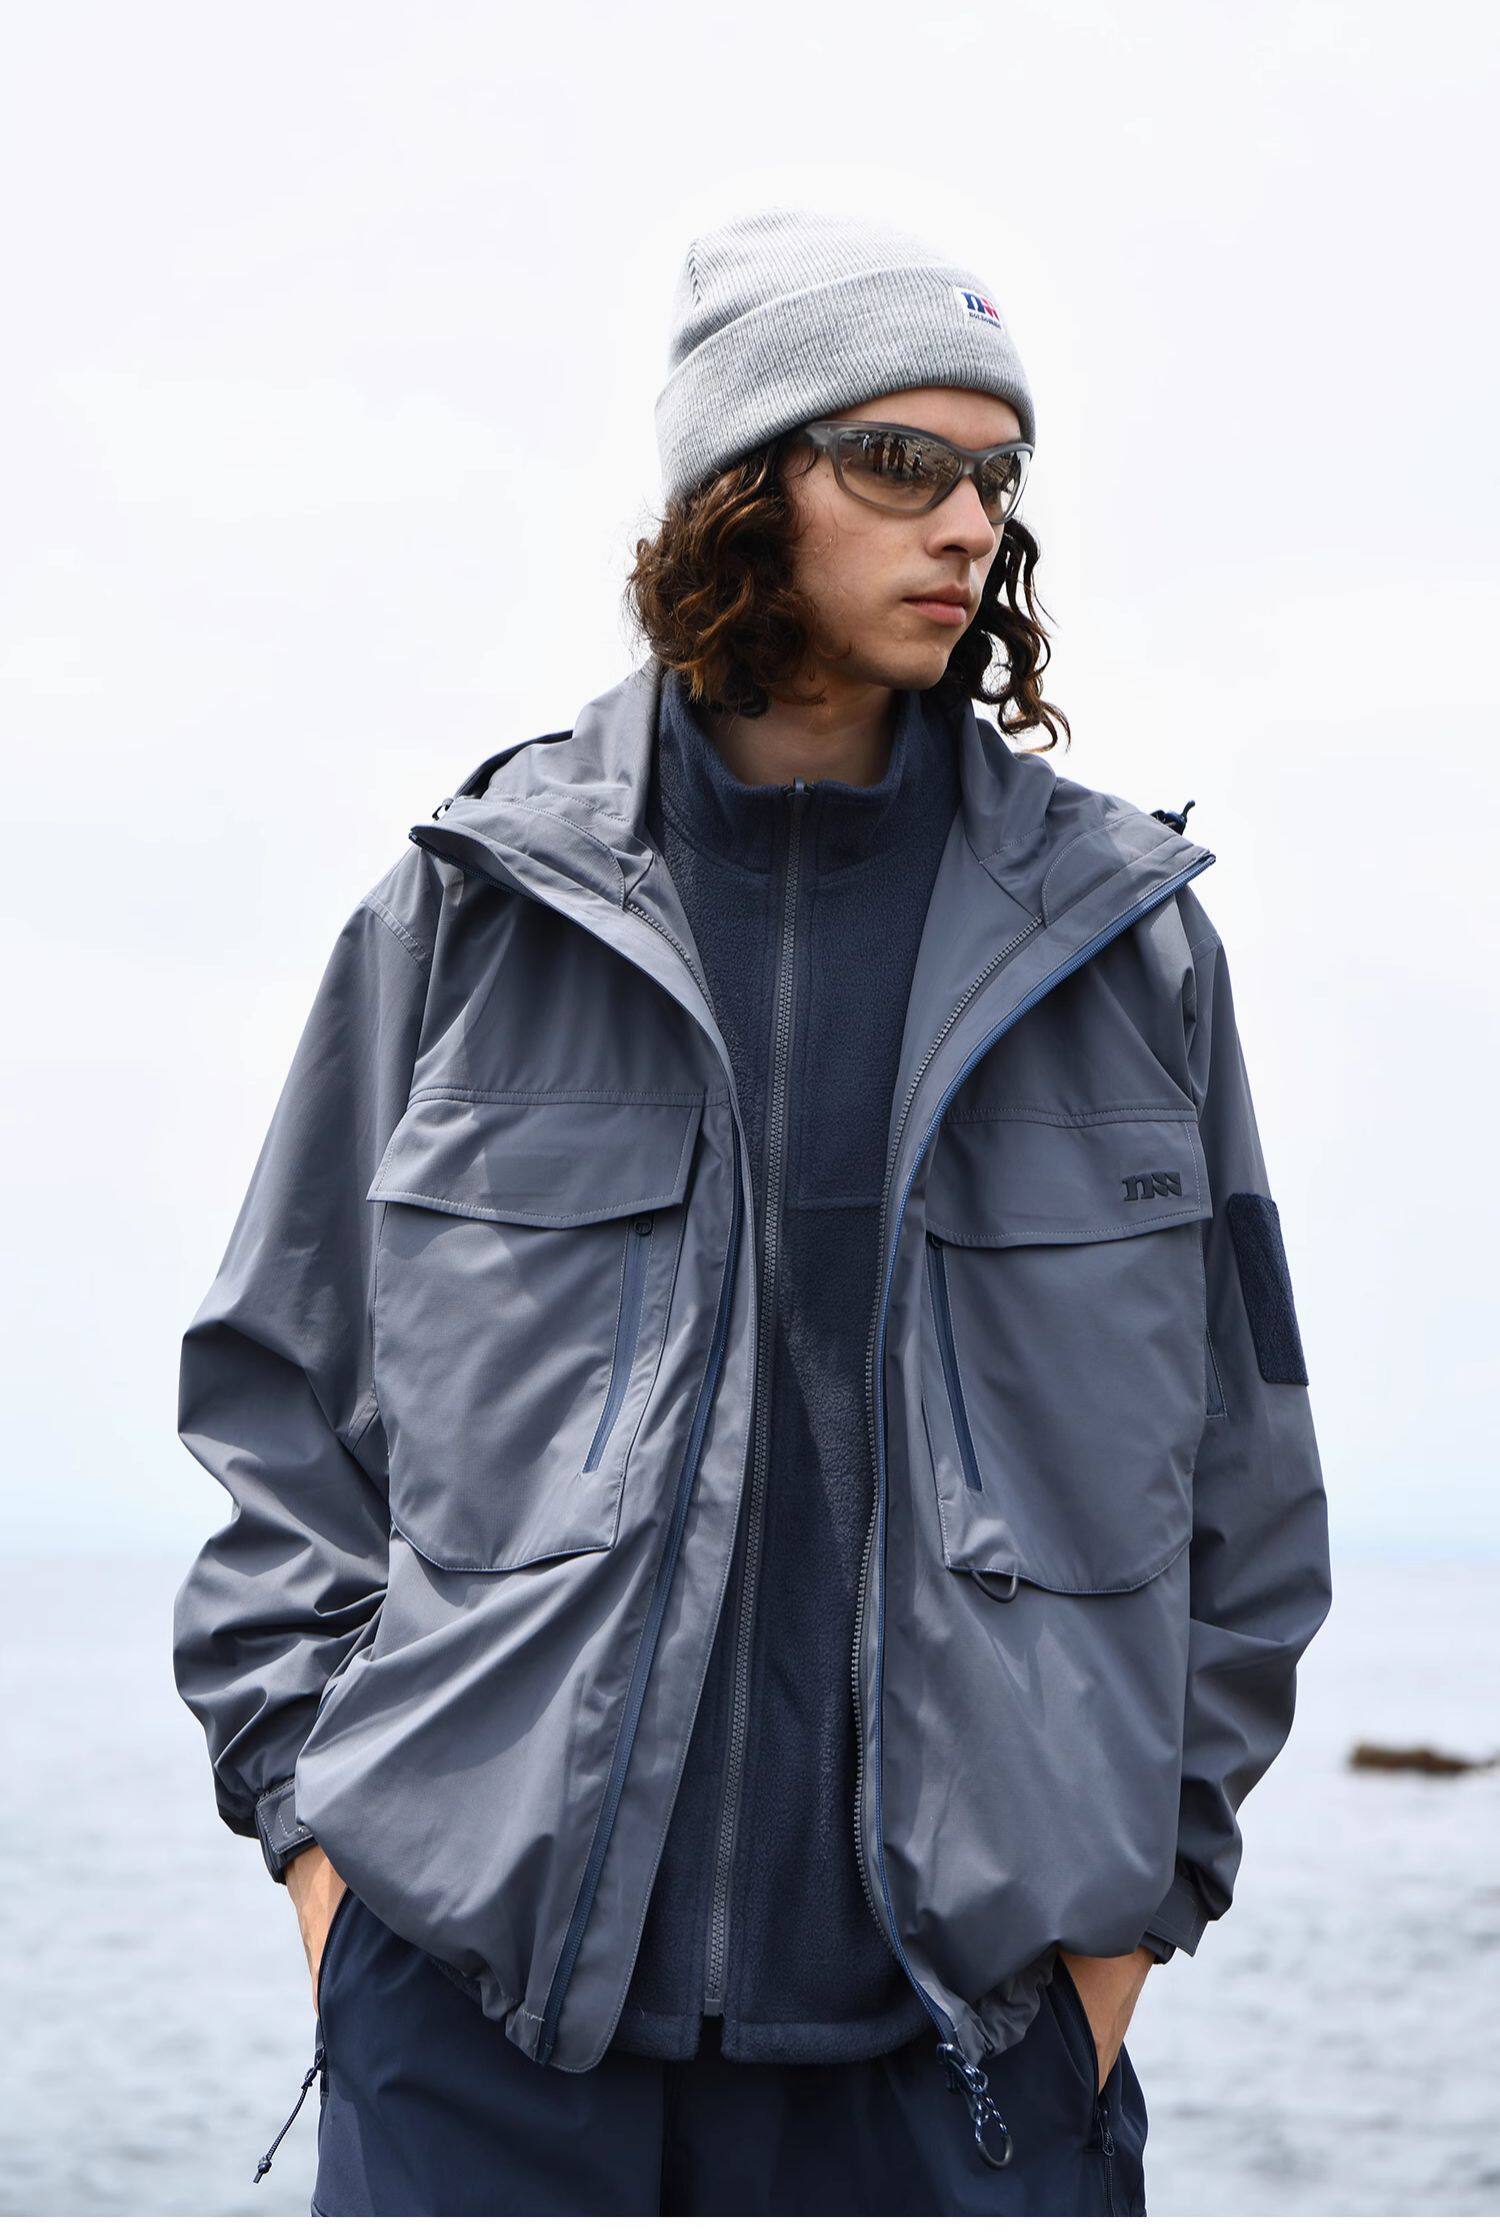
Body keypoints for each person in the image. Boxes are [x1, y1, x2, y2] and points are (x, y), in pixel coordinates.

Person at [172, 207, 1333, 2216]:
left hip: (964, 2065)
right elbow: (283, 1399)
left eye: (997, 475)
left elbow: (1246, 1473)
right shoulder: (471, 914)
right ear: (738, 484)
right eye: (899, 461)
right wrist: (327, 1861)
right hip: (486, 2050)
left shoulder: (1125, 950)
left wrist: (1127, 1932)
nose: (966, 522)